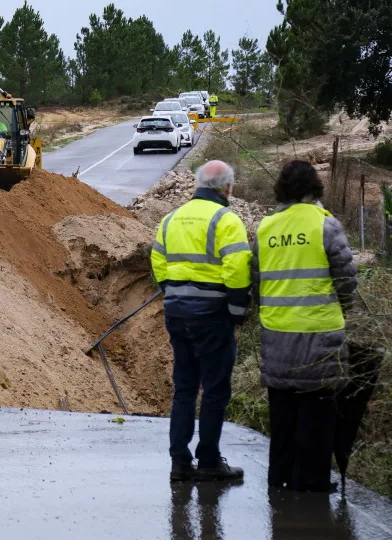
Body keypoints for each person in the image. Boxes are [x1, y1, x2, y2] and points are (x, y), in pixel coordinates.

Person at [252, 160, 357, 492]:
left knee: (282, 415)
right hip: (319, 338)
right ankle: (310, 485)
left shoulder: (266, 228)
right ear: (314, 189)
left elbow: (256, 281)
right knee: (318, 415)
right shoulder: (326, 226)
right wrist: (344, 308)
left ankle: (280, 478)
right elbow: (346, 280)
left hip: (277, 336)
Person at [151, 160, 251, 482]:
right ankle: (208, 461)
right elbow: (237, 270)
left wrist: (174, 292)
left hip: (177, 313)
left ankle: (179, 462)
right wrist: (237, 312)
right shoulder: (226, 219)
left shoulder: (171, 218)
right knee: (215, 390)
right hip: (212, 317)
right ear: (227, 187)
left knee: (184, 388)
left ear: (198, 185)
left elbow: (158, 261)